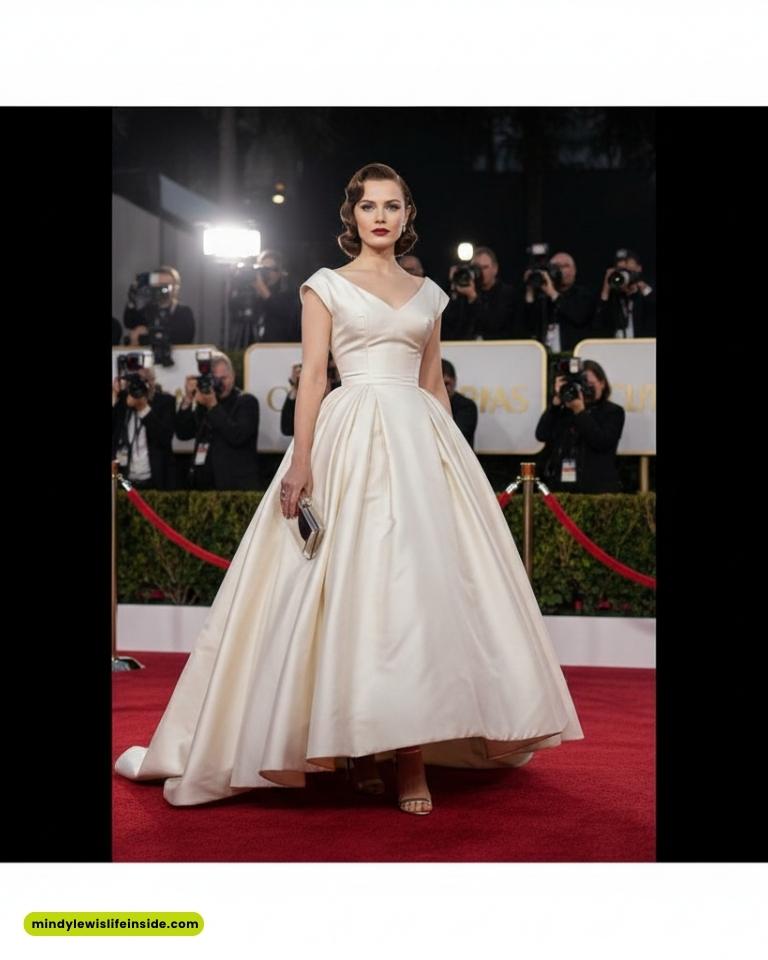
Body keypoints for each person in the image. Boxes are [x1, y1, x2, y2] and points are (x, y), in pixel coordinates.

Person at [115, 162, 583, 817]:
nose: (382, 217)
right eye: (370, 207)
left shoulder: (429, 296)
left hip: (420, 444)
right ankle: (362, 747)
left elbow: (433, 384)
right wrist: (302, 461)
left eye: (393, 205)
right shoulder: (324, 287)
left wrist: (454, 468)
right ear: (353, 217)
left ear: (406, 214)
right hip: (348, 439)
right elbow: (312, 378)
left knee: (414, 593)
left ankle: (409, 752)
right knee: (353, 589)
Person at [535, 359, 625, 493]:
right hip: (561, 489)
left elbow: (601, 442)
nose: (584, 389)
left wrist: (580, 412)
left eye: (589, 384)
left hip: (598, 490)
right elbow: (541, 434)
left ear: (602, 383)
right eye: (579, 384)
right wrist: (556, 402)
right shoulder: (564, 410)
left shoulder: (613, 412)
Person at [174, 353, 260, 490]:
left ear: (232, 376)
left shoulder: (246, 402)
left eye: (224, 378)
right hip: (203, 486)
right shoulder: (204, 402)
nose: (220, 383)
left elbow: (237, 436)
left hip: (234, 487)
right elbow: (183, 433)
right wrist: (188, 399)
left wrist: (212, 405)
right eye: (216, 379)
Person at [111, 361, 176, 489]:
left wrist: (143, 408)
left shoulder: (165, 402)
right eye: (135, 381)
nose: (139, 385)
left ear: (152, 382)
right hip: (125, 481)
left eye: (145, 380)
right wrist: (115, 397)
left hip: (154, 481)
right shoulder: (122, 404)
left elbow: (164, 438)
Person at [442, 247, 522, 340]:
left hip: (497, 349)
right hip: (465, 349)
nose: (480, 272)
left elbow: (494, 325)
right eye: (476, 268)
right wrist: (454, 286)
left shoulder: (507, 294)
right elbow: (448, 325)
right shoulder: (463, 292)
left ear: (495, 269)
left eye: (485, 267)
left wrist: (473, 298)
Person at [524, 251, 595, 353]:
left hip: (573, 353)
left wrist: (553, 293)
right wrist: (530, 290)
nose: (560, 270)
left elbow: (579, 317)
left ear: (574, 271)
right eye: (556, 266)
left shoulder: (584, 294)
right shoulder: (543, 296)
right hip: (545, 354)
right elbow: (529, 323)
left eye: (565, 266)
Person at [228, 249, 300, 347]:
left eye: (271, 269)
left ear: (280, 272)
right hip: (254, 348)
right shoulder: (252, 293)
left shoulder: (288, 292)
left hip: (280, 348)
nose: (267, 273)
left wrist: (261, 288)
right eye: (263, 269)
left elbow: (282, 310)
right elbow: (233, 307)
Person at [123, 265, 196, 349]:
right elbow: (129, 322)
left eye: (166, 285)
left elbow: (182, 339)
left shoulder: (184, 312)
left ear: (176, 288)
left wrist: (148, 332)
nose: (161, 289)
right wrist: (132, 298)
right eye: (158, 285)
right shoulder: (148, 309)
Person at [594, 248, 656, 339]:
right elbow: (597, 325)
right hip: (615, 349)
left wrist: (644, 288)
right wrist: (606, 289)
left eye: (628, 271)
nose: (624, 276)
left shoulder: (645, 295)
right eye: (621, 271)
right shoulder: (612, 299)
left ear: (639, 269)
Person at [442, 358, 478, 449]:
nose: (443, 389)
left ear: (455, 381)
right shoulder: (425, 405)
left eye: (446, 384)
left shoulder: (467, 407)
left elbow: (456, 438)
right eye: (440, 384)